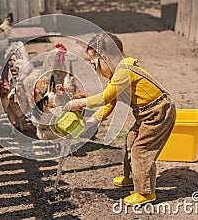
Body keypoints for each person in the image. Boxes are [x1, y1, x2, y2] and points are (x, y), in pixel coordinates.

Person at [64, 32, 176, 206]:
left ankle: (146, 192)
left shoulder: (124, 71)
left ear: (105, 57)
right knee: (130, 142)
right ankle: (133, 177)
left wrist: (79, 103)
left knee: (141, 150)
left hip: (158, 112)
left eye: (95, 63)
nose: (96, 69)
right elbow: (110, 104)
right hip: (146, 114)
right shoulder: (118, 74)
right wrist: (91, 122)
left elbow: (104, 98)